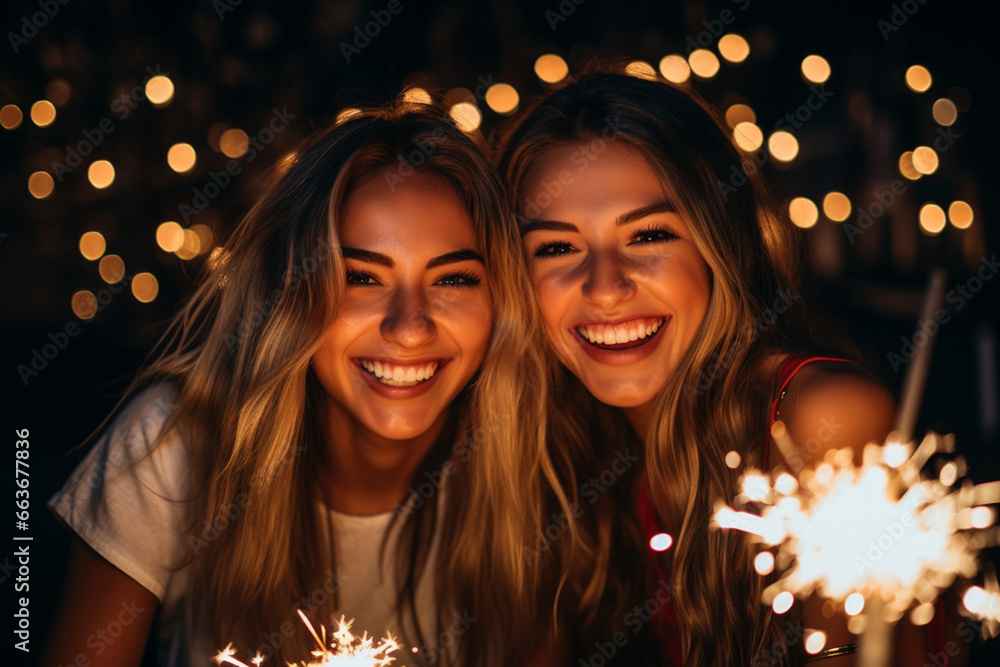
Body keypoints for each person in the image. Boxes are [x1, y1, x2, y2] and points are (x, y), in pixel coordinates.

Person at [43, 102, 569, 667]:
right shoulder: (177, 438)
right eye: (360, 278)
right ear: (293, 294)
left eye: (454, 279)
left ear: (500, 303)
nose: (410, 327)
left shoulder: (534, 466)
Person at [498, 69, 966, 666]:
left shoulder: (820, 420)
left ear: (721, 245)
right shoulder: (564, 444)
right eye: (557, 247)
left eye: (648, 236)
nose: (605, 287)